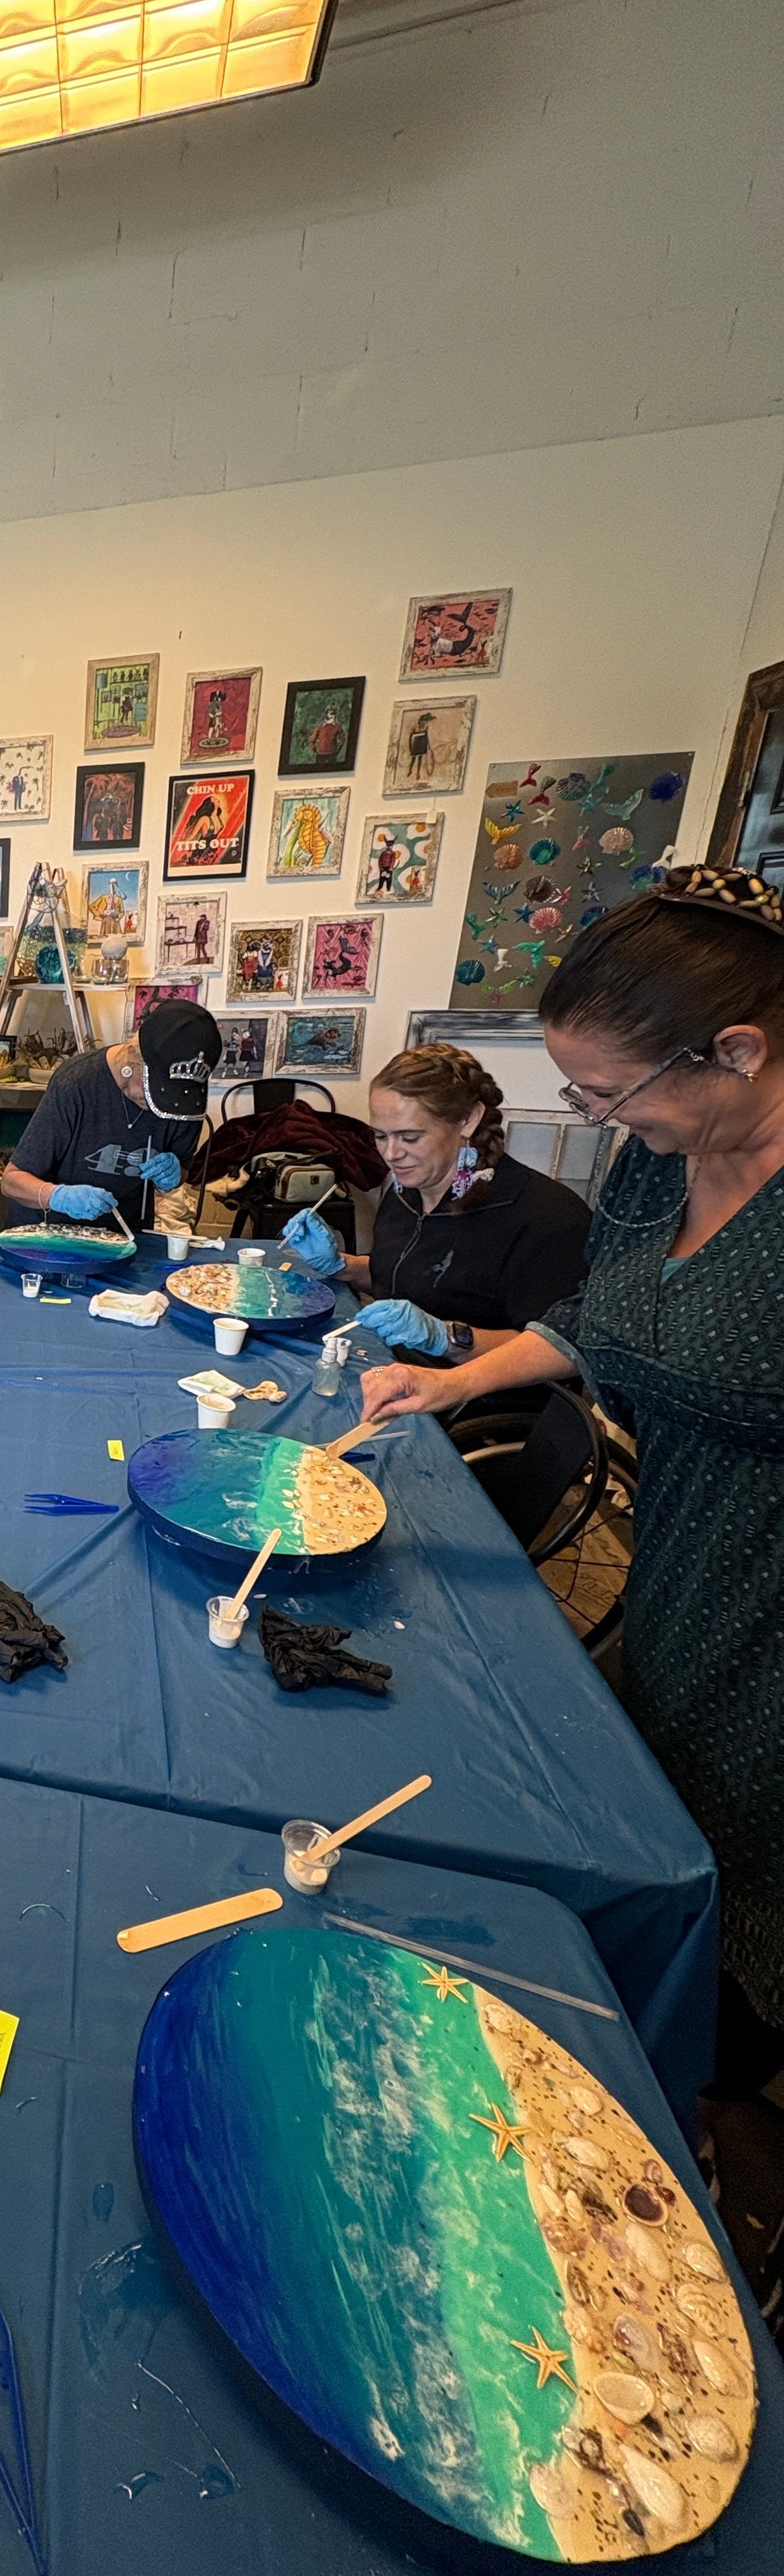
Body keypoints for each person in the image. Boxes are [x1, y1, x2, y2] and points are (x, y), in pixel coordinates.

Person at [357, 867, 784, 2110]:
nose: (592, 1117)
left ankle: (707, 2107)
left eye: (607, 1092)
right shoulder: (662, 1161)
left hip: (765, 1591)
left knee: (748, 1865)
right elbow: (603, 1314)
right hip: (683, 1552)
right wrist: (458, 1375)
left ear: (736, 1051)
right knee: (665, 1793)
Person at [282, 1043, 588, 1361]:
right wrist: (342, 1266)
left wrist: (446, 1338)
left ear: (468, 1120)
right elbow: (404, 1278)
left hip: (468, 1388)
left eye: (410, 1137)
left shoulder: (546, 1217)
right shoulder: (406, 1191)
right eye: (381, 1136)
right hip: (389, 1367)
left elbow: (558, 1353)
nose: (391, 1154)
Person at [0, 997, 216, 1228]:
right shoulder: (76, 1083)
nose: (160, 1105)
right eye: (157, 1091)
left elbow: (183, 1171)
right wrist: (58, 1197)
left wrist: (175, 1174)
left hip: (125, 1234)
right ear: (132, 1058)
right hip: (47, 1230)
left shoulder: (186, 1103)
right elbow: (11, 1181)